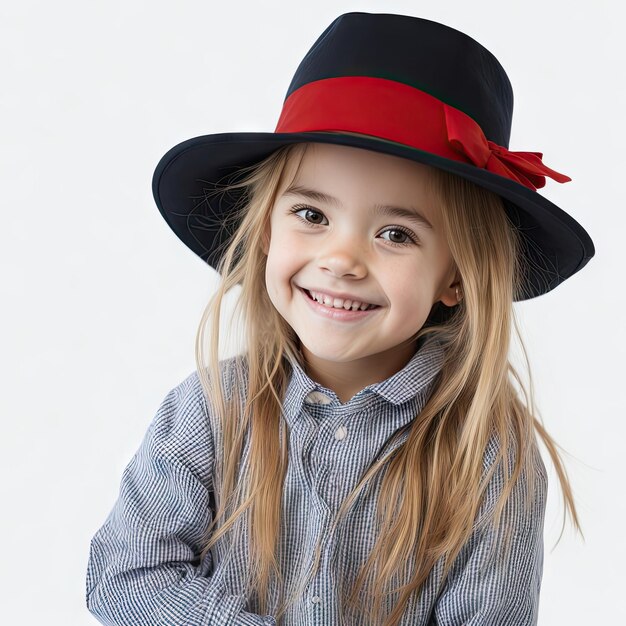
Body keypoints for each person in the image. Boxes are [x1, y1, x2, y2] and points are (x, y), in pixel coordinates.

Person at [85, 12, 595, 626]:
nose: (342, 259)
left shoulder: (486, 455)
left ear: (457, 276)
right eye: (313, 215)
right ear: (267, 230)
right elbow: (126, 575)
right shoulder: (210, 411)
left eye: (395, 233)